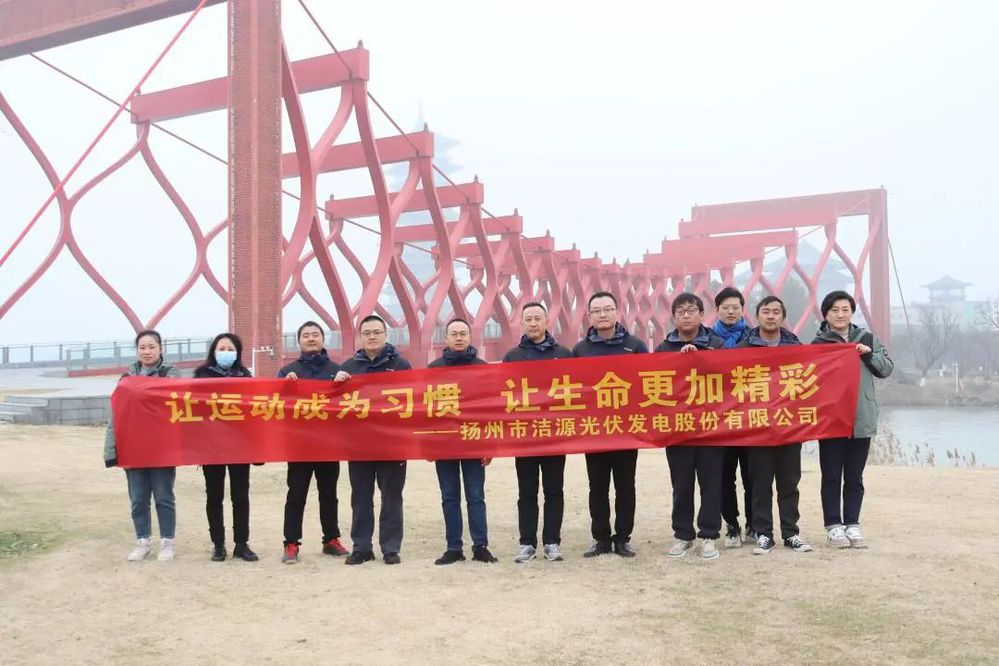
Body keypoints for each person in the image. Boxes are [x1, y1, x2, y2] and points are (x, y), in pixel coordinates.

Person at [812, 291, 894, 548]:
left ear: (852, 313)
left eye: (845, 310)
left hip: (861, 416)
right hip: (831, 419)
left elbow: (887, 368)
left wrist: (868, 354)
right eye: (834, 310)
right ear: (826, 314)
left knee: (855, 476)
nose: (840, 315)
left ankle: (852, 524)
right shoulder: (818, 344)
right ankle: (833, 526)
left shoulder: (867, 339)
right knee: (831, 475)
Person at [571, 291, 649, 559]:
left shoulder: (635, 345)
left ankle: (623, 538)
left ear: (617, 312)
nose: (602, 314)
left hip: (626, 429)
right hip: (594, 430)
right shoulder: (580, 350)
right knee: (597, 487)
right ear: (589, 315)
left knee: (626, 486)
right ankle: (601, 539)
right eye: (597, 310)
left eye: (607, 309)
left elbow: (647, 381)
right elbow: (573, 388)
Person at [737, 297, 812, 555]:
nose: (771, 316)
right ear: (757, 316)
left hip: (788, 426)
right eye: (766, 312)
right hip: (757, 427)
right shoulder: (743, 347)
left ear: (783, 317)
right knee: (760, 485)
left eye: (776, 312)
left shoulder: (795, 346)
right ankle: (763, 534)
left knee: (789, 484)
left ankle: (791, 533)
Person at [655, 293, 726, 560]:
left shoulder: (717, 345)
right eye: (681, 311)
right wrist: (679, 361)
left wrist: (702, 358)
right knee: (681, 485)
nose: (686, 315)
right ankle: (683, 535)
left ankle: (709, 535)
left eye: (691, 310)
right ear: (673, 317)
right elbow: (655, 386)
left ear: (702, 314)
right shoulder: (663, 349)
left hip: (711, 428)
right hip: (678, 429)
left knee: (711, 484)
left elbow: (730, 380)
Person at [502, 302, 573, 563]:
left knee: (554, 491)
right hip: (525, 436)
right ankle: (527, 543)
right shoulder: (512, 356)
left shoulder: (563, 354)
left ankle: (552, 542)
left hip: (554, 435)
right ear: (521, 323)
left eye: (537, 318)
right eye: (528, 319)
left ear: (547, 322)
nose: (533, 323)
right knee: (527, 492)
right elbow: (502, 394)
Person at [340, 315, 413, 565]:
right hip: (359, 445)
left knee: (392, 497)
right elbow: (334, 405)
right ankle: (362, 547)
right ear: (360, 337)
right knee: (361, 497)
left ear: (385, 335)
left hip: (392, 444)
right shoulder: (348, 368)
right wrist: (336, 384)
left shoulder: (401, 364)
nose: (372, 337)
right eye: (367, 333)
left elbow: (415, 398)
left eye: (377, 332)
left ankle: (390, 548)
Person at [103, 329, 180, 562]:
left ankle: (167, 542)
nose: (147, 351)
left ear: (160, 349)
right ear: (137, 351)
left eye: (151, 347)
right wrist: (111, 449)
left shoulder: (171, 374)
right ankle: (143, 541)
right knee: (138, 498)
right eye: (142, 347)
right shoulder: (125, 378)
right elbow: (116, 415)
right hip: (133, 448)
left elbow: (171, 401)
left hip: (161, 448)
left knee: (164, 496)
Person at [279, 321, 351, 564]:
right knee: (296, 495)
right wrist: (284, 387)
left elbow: (350, 405)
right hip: (299, 445)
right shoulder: (287, 372)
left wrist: (345, 384)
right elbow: (274, 405)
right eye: (306, 335)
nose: (311, 339)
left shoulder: (337, 370)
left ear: (323, 338)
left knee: (329, 494)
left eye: (315, 335)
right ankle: (291, 543)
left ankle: (331, 539)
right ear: (299, 341)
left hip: (328, 444)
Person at [427, 318, 498, 565]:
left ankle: (480, 546)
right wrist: (429, 445)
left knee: (476, 496)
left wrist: (490, 445)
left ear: (470, 337)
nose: (458, 338)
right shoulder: (433, 369)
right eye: (454, 334)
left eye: (463, 334)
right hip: (444, 443)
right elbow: (425, 410)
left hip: (474, 441)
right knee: (449, 496)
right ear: (446, 338)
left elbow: (491, 408)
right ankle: (453, 547)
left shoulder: (482, 368)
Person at [193, 332, 258, 562]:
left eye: (231, 349)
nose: (226, 353)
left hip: (239, 445)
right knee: (214, 496)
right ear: (214, 351)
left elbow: (255, 413)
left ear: (238, 353)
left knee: (240, 496)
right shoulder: (201, 377)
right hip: (211, 445)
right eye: (222, 349)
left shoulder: (246, 378)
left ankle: (241, 544)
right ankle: (218, 545)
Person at [713, 286, 755, 548]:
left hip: (750, 419)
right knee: (724, 478)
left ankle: (754, 524)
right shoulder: (706, 340)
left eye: (735, 307)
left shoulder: (755, 338)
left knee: (753, 477)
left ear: (742, 310)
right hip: (719, 422)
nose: (730, 312)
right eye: (725, 307)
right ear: (717, 310)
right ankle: (731, 525)